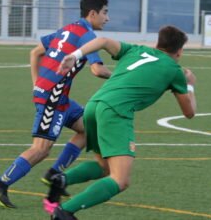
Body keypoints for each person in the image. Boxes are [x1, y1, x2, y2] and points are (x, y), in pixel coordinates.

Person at [47, 25, 197, 220]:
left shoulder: (137, 50)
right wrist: (190, 84)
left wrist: (75, 55)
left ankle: (62, 179)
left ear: (157, 43)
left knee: (104, 167)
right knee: (120, 180)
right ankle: (64, 212)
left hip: (94, 106)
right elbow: (189, 112)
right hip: (115, 112)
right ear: (179, 51)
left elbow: (103, 41)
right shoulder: (174, 70)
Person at [0, 0, 111, 209]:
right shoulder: (87, 36)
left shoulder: (68, 29)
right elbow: (97, 70)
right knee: (41, 149)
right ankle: (2, 183)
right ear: (92, 13)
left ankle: (54, 173)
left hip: (58, 97)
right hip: (52, 98)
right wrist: (121, 76)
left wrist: (36, 84)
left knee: (89, 128)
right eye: (105, 13)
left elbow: (35, 53)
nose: (107, 18)